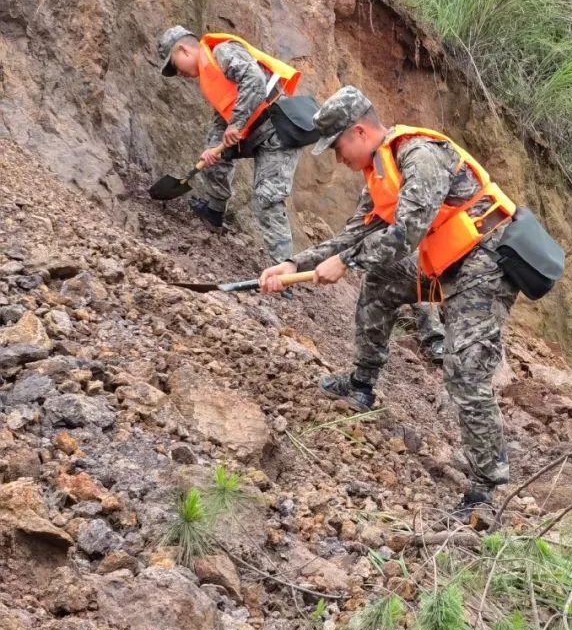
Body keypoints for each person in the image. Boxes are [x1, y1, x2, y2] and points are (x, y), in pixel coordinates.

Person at [259, 86, 523, 522]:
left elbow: (408, 233)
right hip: (445, 267)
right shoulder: (380, 172)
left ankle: (485, 489)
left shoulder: (421, 155)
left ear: (360, 132)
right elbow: (355, 234)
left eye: (338, 147)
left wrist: (344, 263)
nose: (338, 159)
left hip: (486, 266)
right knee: (381, 281)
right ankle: (362, 386)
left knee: (464, 368)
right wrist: (292, 264)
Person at [157, 26, 301, 262]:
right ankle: (214, 212)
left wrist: (236, 123)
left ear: (183, 49)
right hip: (252, 131)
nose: (179, 74)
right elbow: (223, 112)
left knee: (267, 199)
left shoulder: (223, 52)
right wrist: (213, 147)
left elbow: (253, 79)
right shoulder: (209, 73)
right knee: (211, 157)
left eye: (174, 66)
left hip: (278, 130)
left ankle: (283, 271)